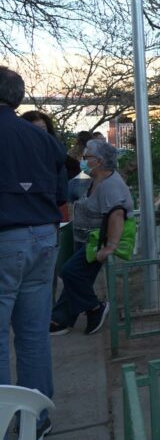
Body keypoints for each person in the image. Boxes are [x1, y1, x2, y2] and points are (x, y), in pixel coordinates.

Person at [0, 66, 65, 438]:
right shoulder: (39, 137)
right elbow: (63, 176)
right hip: (44, 237)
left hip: (6, 238)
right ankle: (34, 421)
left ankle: (6, 421)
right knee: (33, 334)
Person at [50, 139, 133, 336]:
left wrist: (110, 246)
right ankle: (63, 319)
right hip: (82, 236)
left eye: (87, 157)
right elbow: (67, 192)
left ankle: (94, 308)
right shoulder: (87, 177)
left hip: (97, 240)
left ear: (100, 160)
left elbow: (117, 215)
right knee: (75, 276)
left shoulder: (110, 185)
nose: (83, 160)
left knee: (72, 273)